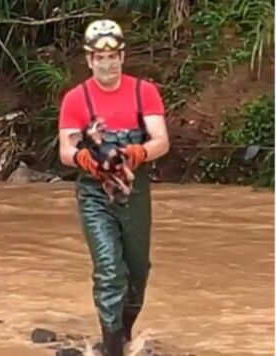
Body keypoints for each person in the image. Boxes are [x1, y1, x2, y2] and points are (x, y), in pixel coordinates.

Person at [57, 19, 170, 355]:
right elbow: (65, 150)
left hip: (135, 191)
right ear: (90, 60)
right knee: (109, 269)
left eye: (113, 57)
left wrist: (137, 152)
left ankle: (123, 333)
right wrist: (88, 162)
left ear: (122, 56)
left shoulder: (143, 92)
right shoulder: (76, 99)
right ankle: (112, 348)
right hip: (94, 193)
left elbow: (161, 140)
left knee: (137, 270)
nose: (107, 64)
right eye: (99, 58)